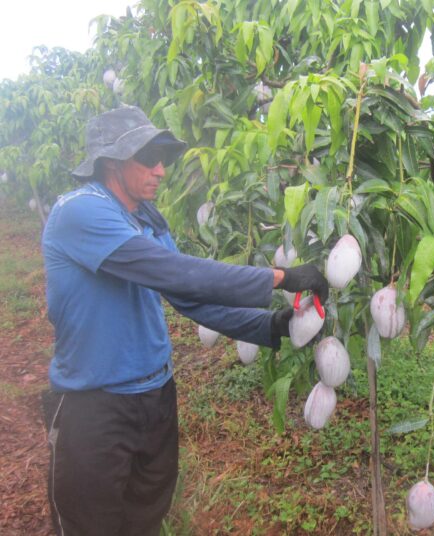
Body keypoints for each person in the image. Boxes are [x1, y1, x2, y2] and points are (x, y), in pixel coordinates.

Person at [40, 105, 328, 536]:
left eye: (164, 159)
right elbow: (175, 272)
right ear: (113, 162)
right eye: (148, 157)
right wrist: (280, 278)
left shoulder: (148, 221)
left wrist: (272, 325)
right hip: (94, 406)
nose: (160, 170)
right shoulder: (80, 212)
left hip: (155, 397)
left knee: (145, 516)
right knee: (90, 524)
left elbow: (191, 297)